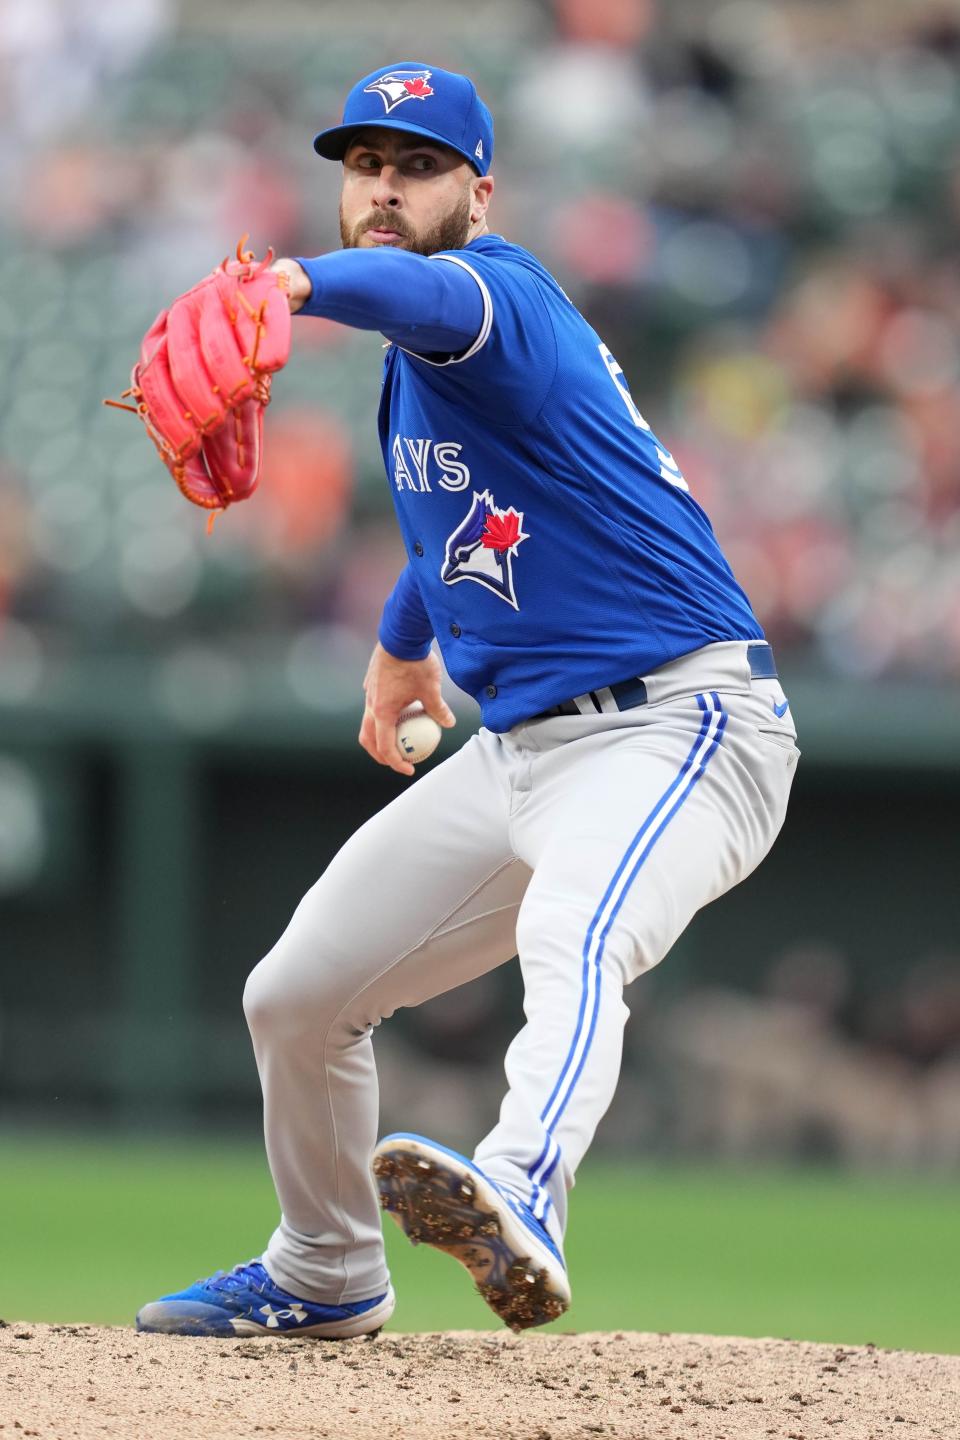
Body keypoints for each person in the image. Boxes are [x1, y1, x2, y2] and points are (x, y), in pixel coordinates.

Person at [136, 61, 799, 1339]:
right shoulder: (419, 372)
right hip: (522, 754)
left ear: (477, 194)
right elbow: (467, 524)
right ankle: (326, 1269)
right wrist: (399, 647)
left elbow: (414, 288)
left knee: (574, 935)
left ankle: (523, 1188)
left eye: (418, 167)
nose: (383, 190)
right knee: (297, 995)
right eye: (365, 166)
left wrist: (291, 282)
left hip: (684, 726)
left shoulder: (492, 296)